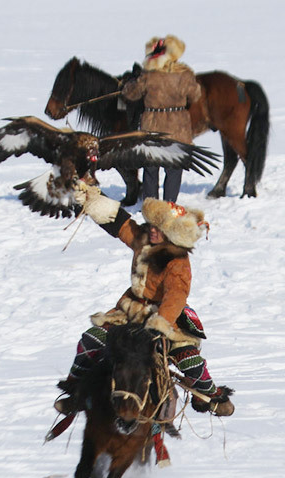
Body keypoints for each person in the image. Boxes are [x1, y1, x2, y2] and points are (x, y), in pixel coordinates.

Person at [53, 187, 234, 425]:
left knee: (189, 360)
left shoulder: (178, 261)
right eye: (151, 225)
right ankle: (75, 392)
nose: (152, 230)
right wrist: (91, 199)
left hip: (167, 317)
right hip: (130, 310)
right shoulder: (144, 239)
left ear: (172, 233)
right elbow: (120, 224)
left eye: (159, 228)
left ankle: (211, 396)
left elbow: (176, 296)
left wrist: (160, 324)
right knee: (90, 340)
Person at [122, 35, 202, 203]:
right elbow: (195, 95)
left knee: (151, 170)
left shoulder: (148, 74)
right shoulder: (184, 73)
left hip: (152, 125)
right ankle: (170, 206)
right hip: (177, 127)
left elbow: (131, 94)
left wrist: (128, 84)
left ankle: (151, 207)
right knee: (174, 171)